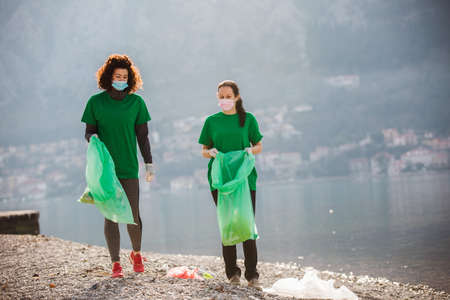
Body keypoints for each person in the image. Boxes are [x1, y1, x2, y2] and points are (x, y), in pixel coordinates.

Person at [81, 54, 155, 278]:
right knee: (111, 215)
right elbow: (89, 132)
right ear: (108, 77)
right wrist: (93, 139)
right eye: (117, 76)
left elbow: (142, 137)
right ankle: (115, 263)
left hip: (129, 167)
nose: (121, 79)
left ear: (130, 79)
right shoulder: (95, 102)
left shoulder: (137, 103)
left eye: (125, 76)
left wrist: (148, 163)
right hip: (106, 170)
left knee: (133, 214)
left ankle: (137, 253)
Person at [198, 80, 263, 289]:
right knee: (228, 224)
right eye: (221, 96)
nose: (224, 100)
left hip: (245, 180)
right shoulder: (211, 121)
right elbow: (204, 150)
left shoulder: (248, 119)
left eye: (228, 96)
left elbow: (259, 145)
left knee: (246, 224)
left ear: (236, 97)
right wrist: (212, 153)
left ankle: (252, 275)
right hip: (221, 181)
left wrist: (250, 151)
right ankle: (232, 273)